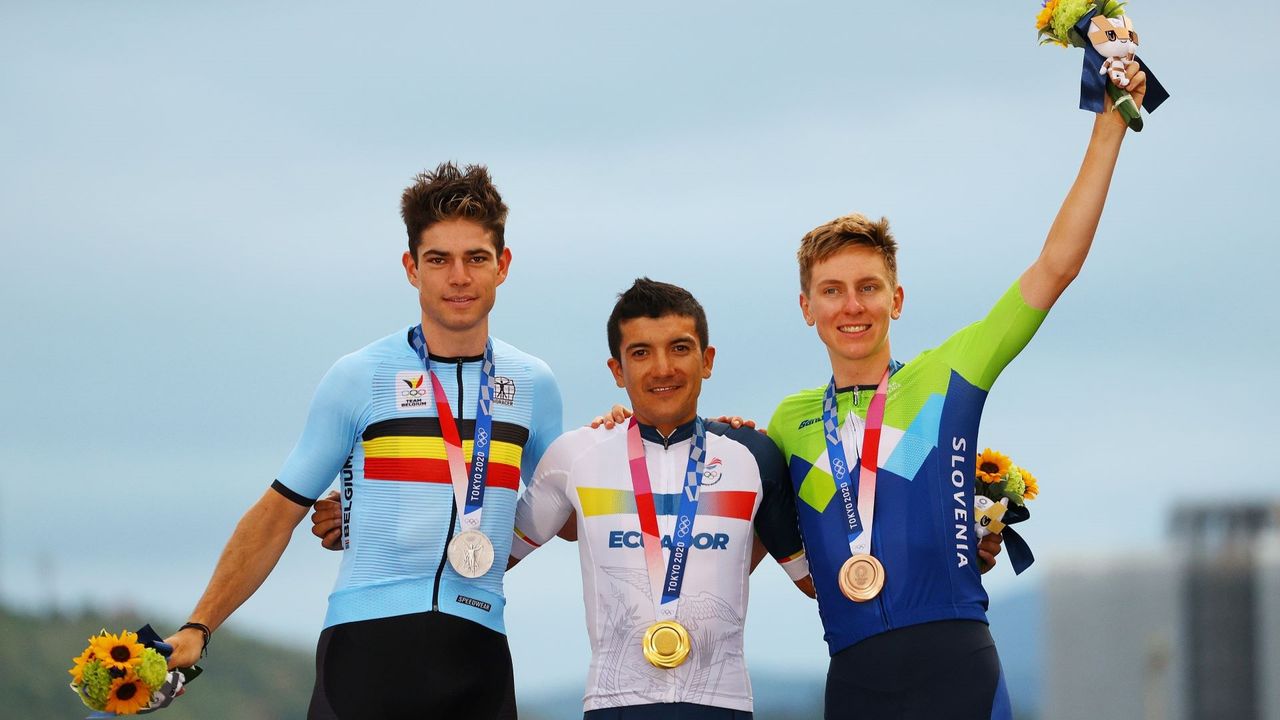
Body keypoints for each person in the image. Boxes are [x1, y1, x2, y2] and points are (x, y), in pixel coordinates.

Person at [765, 65, 1152, 719]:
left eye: (868, 287)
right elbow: (787, 553)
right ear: (806, 306)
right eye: (832, 290)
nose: (851, 305)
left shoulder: (950, 374)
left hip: (957, 668)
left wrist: (1108, 126)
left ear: (898, 298)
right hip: (853, 680)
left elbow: (1055, 267)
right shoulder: (787, 423)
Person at [163, 162, 563, 719]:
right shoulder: (359, 377)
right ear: (410, 268)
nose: (459, 277)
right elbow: (277, 512)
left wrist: (628, 435)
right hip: (367, 654)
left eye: (476, 258)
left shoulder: (534, 385)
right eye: (438, 260)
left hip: (480, 654)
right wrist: (199, 626)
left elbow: (567, 512)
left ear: (504, 265)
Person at [509, 278, 813, 720]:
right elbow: (486, 561)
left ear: (707, 360)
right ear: (617, 370)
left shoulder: (754, 456)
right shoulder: (576, 456)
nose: (662, 368)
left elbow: (813, 583)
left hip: (722, 704)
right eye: (641, 353)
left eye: (680, 348)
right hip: (614, 704)